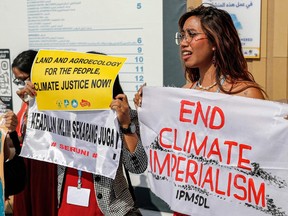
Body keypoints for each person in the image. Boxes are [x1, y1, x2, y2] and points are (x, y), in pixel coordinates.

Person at [134, 4, 266, 216]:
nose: (184, 42)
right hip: (188, 203)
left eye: (192, 35)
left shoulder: (245, 94)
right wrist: (147, 110)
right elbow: (166, 145)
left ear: (215, 41)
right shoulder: (184, 93)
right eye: (182, 35)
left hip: (228, 206)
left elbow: (263, 158)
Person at [17, 51, 148, 216]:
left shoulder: (123, 116)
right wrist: (34, 103)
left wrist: (126, 125)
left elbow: (138, 166)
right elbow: (36, 145)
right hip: (65, 207)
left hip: (110, 209)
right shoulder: (61, 113)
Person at [12, 50, 58, 216]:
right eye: (18, 81)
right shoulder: (27, 100)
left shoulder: (54, 98)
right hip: (25, 162)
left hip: (45, 164)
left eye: (24, 79)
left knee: (42, 207)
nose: (23, 85)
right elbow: (22, 133)